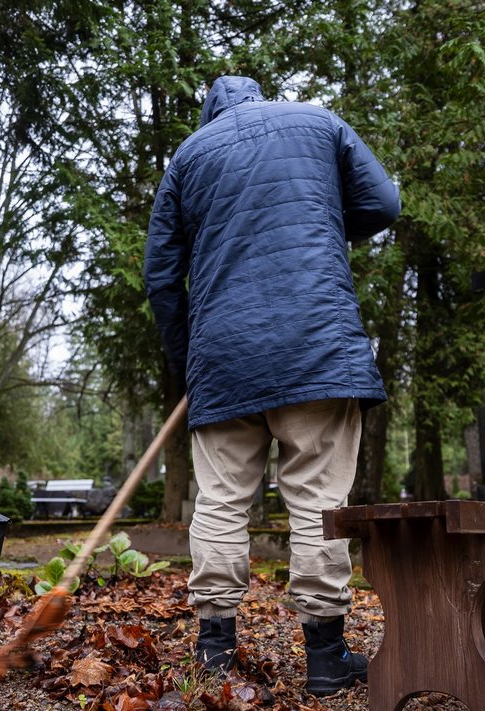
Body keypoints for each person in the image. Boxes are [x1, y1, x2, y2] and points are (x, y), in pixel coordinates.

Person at [144, 75, 401, 697]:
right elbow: (384, 205)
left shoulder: (187, 158)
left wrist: (190, 365)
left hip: (223, 356)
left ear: (210, 112)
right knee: (316, 498)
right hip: (316, 344)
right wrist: (325, 222)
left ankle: (213, 653)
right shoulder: (318, 122)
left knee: (222, 500)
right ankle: (326, 657)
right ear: (260, 97)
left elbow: (161, 276)